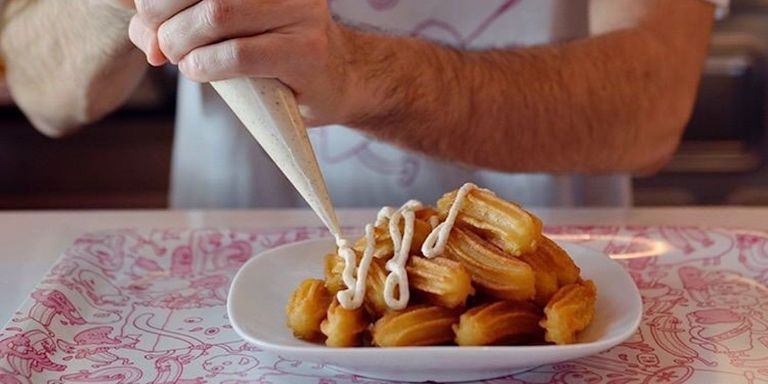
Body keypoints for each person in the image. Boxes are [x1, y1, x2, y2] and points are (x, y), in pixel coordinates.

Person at [0, 0, 728, 208]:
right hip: (238, 304)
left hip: (543, 313)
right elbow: (43, 93)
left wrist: (360, 76)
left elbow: (649, 103)